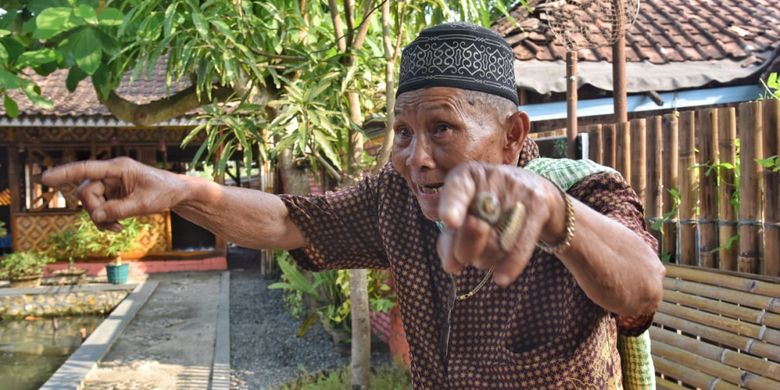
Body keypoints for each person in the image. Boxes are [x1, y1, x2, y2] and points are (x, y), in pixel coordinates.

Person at [42, 23, 664, 389]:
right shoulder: (397, 200)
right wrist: (181, 189)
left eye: (441, 128)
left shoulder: (583, 192)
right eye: (401, 132)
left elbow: (642, 291)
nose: (414, 156)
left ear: (514, 136)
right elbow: (289, 220)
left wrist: (556, 217)